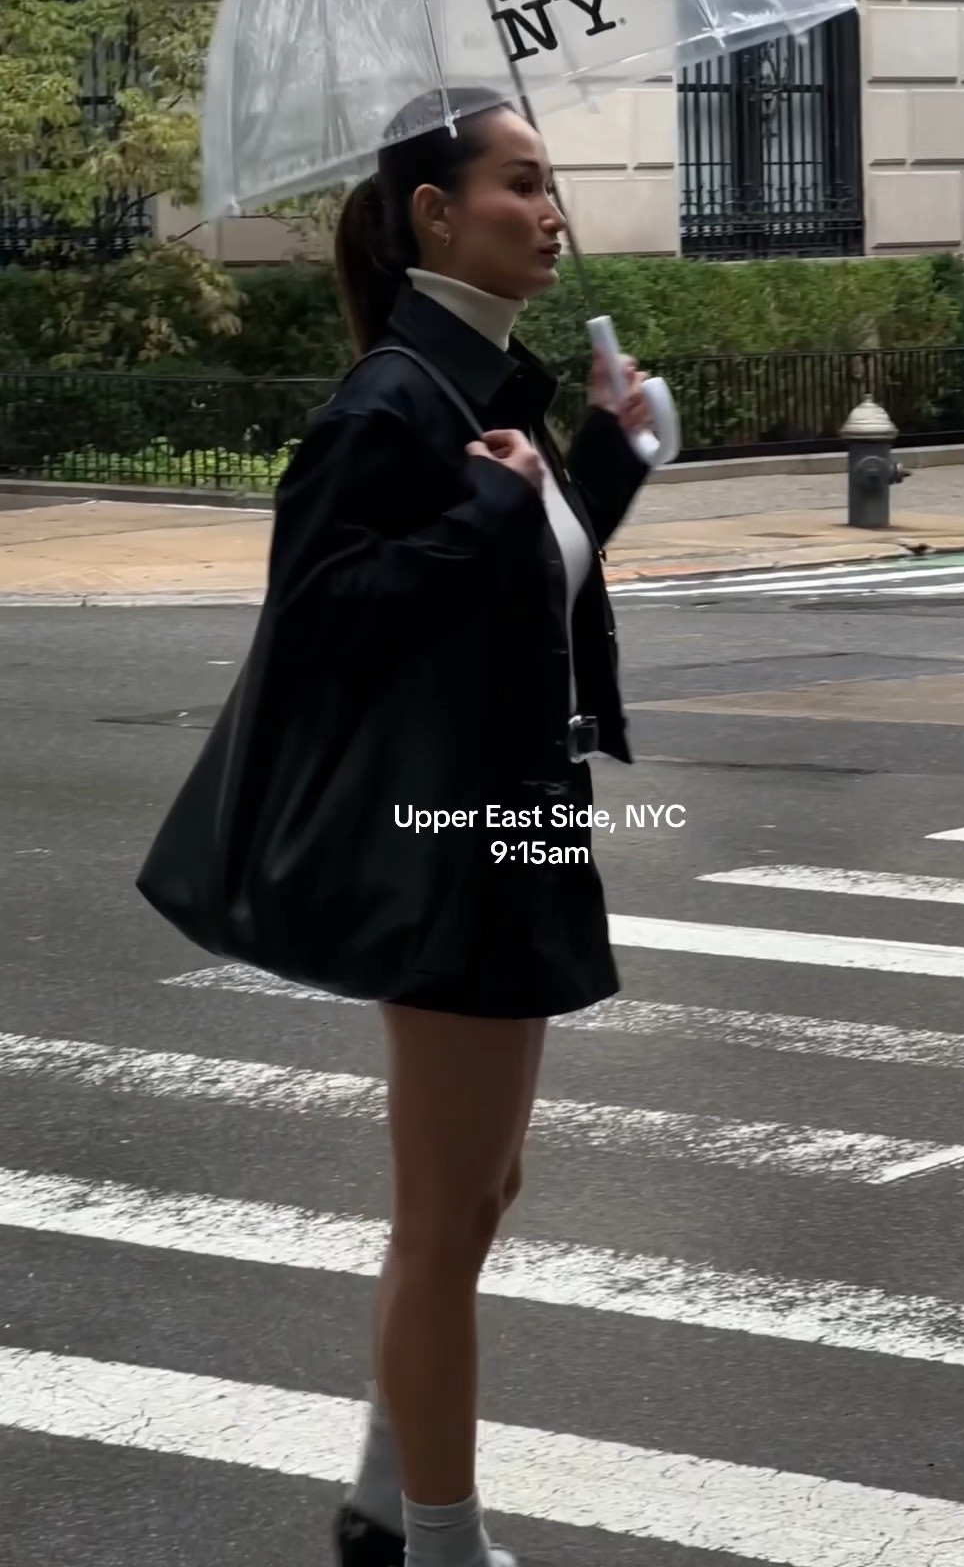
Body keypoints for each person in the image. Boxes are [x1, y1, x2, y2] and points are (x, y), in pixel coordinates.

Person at [268, 89, 652, 1567]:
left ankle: (385, 1490)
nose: (551, 211)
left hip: (522, 811)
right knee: (443, 1217)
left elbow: (515, 590)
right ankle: (432, 1542)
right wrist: (487, 520)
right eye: (520, 184)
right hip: (454, 834)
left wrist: (607, 467)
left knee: (484, 1189)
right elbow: (320, 621)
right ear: (435, 214)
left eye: (551, 186)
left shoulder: (485, 386)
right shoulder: (394, 401)